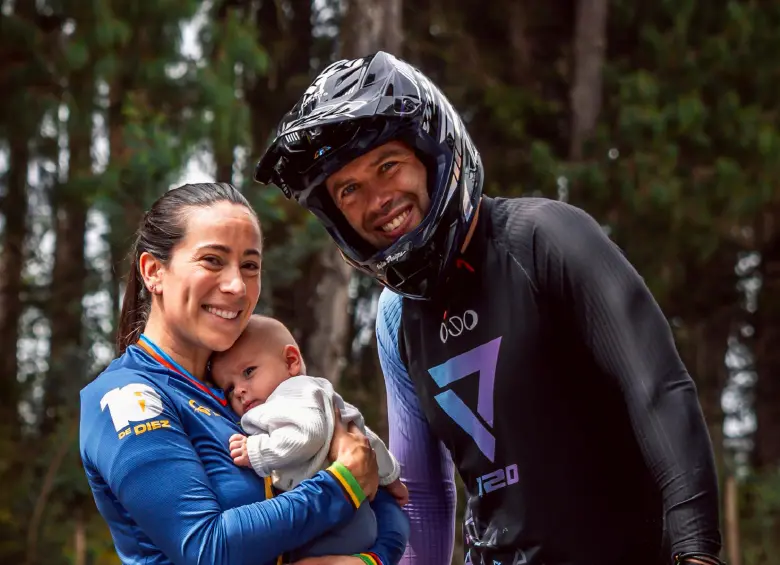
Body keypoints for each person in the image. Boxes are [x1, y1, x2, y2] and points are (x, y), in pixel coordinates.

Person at [253, 52, 726, 565]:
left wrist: (697, 552)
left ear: (433, 154)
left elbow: (657, 390)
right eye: (350, 190)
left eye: (387, 166)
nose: (377, 200)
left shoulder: (546, 239)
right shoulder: (395, 318)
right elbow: (426, 498)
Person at [79, 182, 409, 565]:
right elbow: (207, 547)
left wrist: (373, 560)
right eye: (212, 260)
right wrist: (344, 484)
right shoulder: (125, 396)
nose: (237, 285)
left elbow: (385, 497)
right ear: (154, 271)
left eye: (249, 265)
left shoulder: (251, 384)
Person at [209, 314, 409, 561]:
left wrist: (257, 451)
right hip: (354, 520)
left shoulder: (291, 393)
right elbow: (366, 440)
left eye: (248, 372)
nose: (239, 390)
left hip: (335, 526)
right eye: (229, 388)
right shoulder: (319, 393)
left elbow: (308, 434)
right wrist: (391, 479)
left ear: (291, 361)